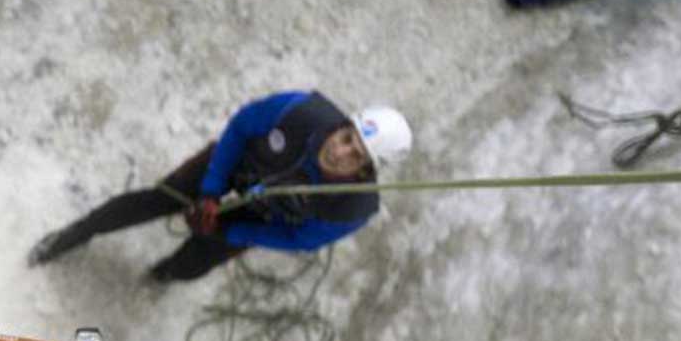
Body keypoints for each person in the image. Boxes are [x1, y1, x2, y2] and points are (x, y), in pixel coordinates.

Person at [28, 91, 411, 280]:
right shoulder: (299, 111)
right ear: (344, 124)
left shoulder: (349, 207)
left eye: (356, 155)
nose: (340, 151)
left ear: (364, 172)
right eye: (347, 137)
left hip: (262, 215)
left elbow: (300, 240)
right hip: (233, 165)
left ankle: (156, 279)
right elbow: (243, 125)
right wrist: (211, 189)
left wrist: (231, 228)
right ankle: (71, 235)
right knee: (157, 200)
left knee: (197, 261)